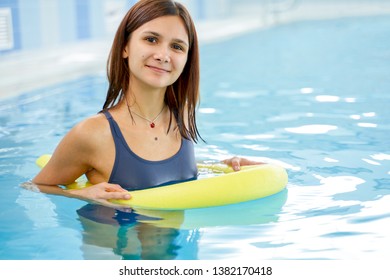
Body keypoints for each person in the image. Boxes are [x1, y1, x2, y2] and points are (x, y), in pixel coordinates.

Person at [31, 0, 260, 208]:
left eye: (177, 47)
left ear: (187, 60)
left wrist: (222, 166)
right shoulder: (93, 133)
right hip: (114, 248)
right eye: (151, 39)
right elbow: (34, 187)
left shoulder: (182, 117)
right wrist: (84, 194)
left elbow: (161, 171)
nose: (163, 55)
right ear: (125, 46)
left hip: (175, 246)